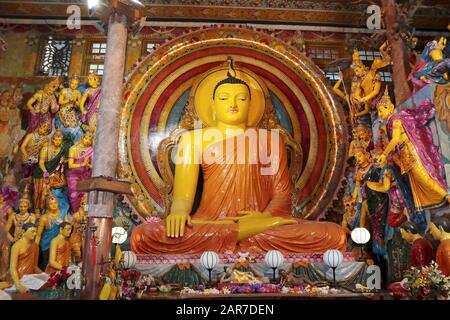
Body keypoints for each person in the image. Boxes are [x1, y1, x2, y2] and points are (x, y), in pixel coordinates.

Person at [131, 61, 346, 254]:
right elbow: (183, 198)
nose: (233, 104)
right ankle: (246, 232)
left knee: (333, 234)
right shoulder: (193, 140)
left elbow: (282, 195)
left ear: (250, 105)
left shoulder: (270, 140)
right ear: (213, 106)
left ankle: (250, 230)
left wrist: (264, 218)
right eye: (224, 98)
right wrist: (178, 212)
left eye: (241, 98)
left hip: (261, 223)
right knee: (143, 235)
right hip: (210, 223)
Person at [375, 88, 449, 211]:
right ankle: (433, 200)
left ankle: (444, 195)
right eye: (378, 112)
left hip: (410, 150)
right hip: (404, 153)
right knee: (416, 178)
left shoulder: (395, 120)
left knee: (423, 175)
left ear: (390, 107)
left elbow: (395, 140)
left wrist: (384, 154)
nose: (380, 114)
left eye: (381, 110)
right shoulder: (388, 124)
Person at [33, 129, 70, 216]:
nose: (57, 142)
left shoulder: (62, 149)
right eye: (56, 140)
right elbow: (41, 163)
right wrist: (45, 172)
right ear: (52, 139)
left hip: (53, 173)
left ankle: (45, 210)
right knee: (38, 192)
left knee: (45, 193)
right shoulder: (45, 149)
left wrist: (64, 160)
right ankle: (37, 210)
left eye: (59, 140)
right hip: (41, 173)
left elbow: (66, 160)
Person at [35, 195, 69, 270]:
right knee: (47, 264)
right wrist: (35, 247)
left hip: (59, 243)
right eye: (51, 203)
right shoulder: (44, 217)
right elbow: (38, 235)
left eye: (55, 203)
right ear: (47, 205)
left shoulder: (63, 213)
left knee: (59, 262)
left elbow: (68, 226)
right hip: (46, 244)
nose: (54, 205)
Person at [8, 223, 42, 293]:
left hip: (30, 278)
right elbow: (12, 268)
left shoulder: (35, 246)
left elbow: (35, 266)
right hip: (18, 277)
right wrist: (18, 284)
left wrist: (44, 275)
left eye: (35, 232)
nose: (35, 234)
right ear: (23, 232)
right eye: (32, 232)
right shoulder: (16, 246)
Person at [67, 131, 93, 213]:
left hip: (86, 175)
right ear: (82, 138)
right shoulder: (73, 149)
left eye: (90, 139)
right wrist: (82, 164)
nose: (88, 141)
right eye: (86, 138)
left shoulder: (91, 150)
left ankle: (85, 215)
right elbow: (70, 165)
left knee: (85, 196)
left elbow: (92, 165)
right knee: (74, 195)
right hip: (73, 176)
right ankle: (76, 213)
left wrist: (88, 165)